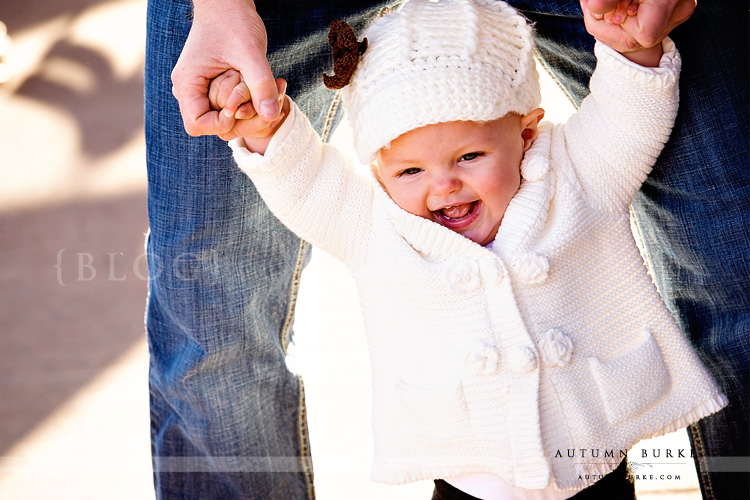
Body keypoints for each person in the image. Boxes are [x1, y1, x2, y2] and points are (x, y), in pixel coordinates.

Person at [146, 0, 749, 498]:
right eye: (409, 171)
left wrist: (633, 50)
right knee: (208, 314)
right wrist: (265, 134)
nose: (443, 185)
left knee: (732, 247)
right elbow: (307, 185)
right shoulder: (377, 226)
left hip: (596, 475)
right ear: (378, 171)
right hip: (464, 489)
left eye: (469, 156)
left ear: (527, 132)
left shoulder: (578, 175)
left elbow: (630, 115)